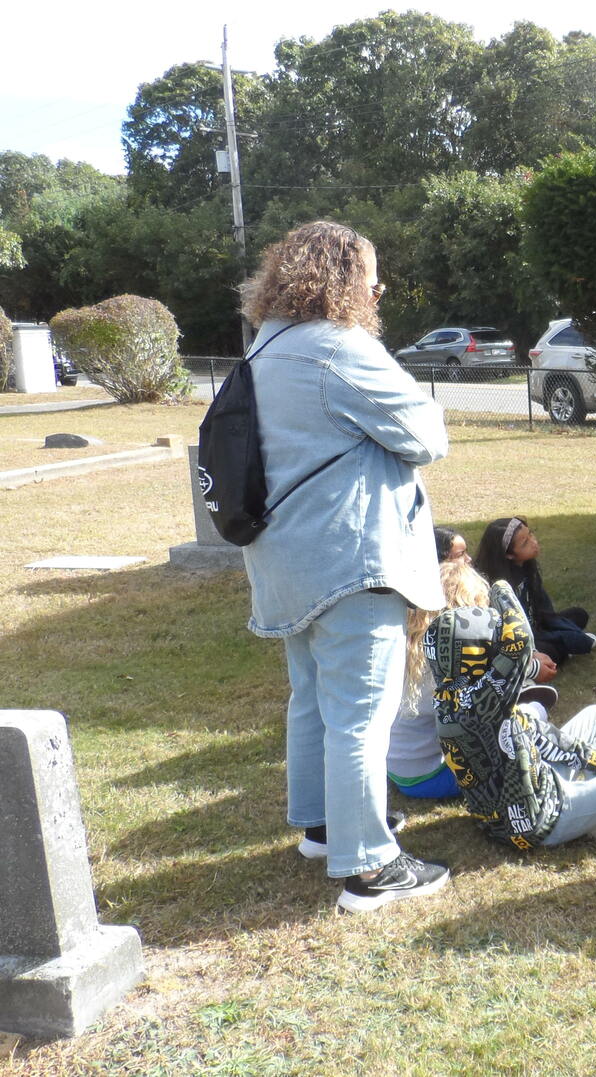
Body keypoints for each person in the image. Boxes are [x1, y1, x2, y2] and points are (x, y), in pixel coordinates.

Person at [239, 220, 451, 912]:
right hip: (349, 554)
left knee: (312, 697)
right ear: (344, 277)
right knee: (364, 709)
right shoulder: (340, 347)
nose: (380, 288)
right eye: (373, 275)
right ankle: (369, 866)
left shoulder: (266, 343)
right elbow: (425, 433)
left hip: (286, 557)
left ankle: (326, 827)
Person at [426, 560, 596, 849]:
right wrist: (500, 588)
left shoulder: (450, 694)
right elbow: (520, 643)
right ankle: (594, 818)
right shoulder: (482, 701)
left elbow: (542, 735)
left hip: (536, 783)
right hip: (541, 820)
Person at [387, 557, 558, 800]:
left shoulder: (412, 644)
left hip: (395, 765)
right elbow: (475, 730)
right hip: (430, 776)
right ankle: (533, 714)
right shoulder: (451, 662)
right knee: (527, 726)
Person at [472, 516, 596, 668]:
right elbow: (504, 634)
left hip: (537, 625)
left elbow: (543, 609)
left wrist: (553, 625)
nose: (534, 542)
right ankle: (549, 655)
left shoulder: (526, 566)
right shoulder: (498, 585)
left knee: (578, 614)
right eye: (525, 543)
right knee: (551, 650)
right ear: (509, 555)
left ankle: (565, 643)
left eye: (530, 534)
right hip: (518, 640)